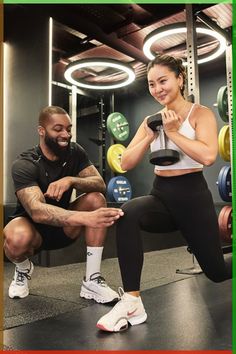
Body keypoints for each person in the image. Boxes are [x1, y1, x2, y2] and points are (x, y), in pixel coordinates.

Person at [96, 54, 232, 332]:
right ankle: (132, 300)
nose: (157, 89)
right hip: (162, 195)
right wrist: (148, 134)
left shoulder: (200, 114)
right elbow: (125, 162)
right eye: (151, 84)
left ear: (180, 79)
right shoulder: (150, 120)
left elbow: (207, 156)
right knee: (129, 213)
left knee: (217, 273)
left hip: (193, 199)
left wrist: (173, 133)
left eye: (163, 81)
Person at [3, 105, 124, 302]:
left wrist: (71, 180)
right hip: (32, 230)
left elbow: (99, 184)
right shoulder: (25, 163)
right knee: (16, 237)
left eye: (68, 128)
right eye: (58, 129)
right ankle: (23, 269)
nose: (66, 134)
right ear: (42, 131)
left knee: (96, 198)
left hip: (65, 227)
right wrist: (87, 218)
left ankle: (92, 281)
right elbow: (37, 212)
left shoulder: (75, 152)